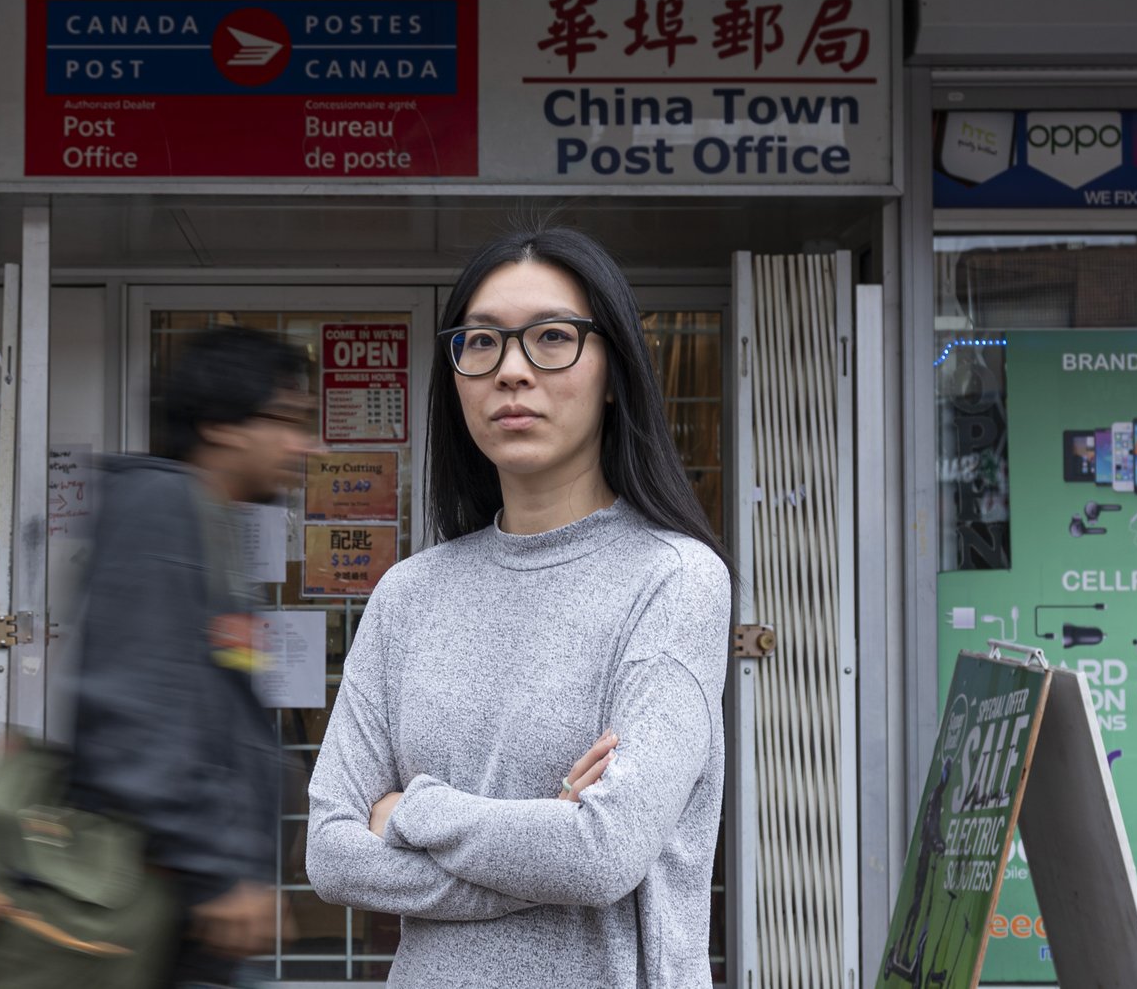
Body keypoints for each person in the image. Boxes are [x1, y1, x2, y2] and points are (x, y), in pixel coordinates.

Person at [305, 226, 732, 988]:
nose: (511, 370)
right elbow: (333, 854)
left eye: (552, 338)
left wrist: (413, 813)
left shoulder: (674, 581)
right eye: (481, 343)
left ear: (614, 372)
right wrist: (545, 827)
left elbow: (603, 854)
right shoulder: (409, 594)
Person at [67, 325, 312, 987]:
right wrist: (219, 873)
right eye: (285, 421)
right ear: (220, 425)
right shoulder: (162, 508)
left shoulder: (205, 518)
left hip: (193, 906)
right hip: (171, 903)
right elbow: (136, 710)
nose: (304, 445)